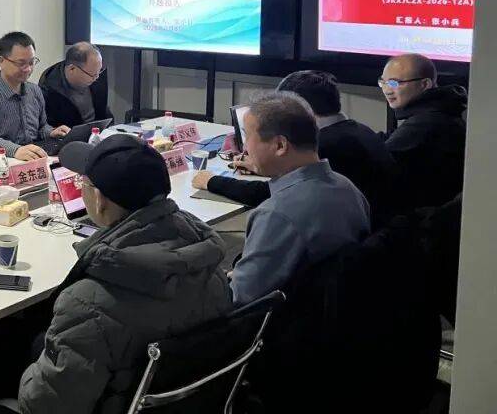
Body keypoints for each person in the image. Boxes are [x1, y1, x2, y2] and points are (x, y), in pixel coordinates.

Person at [0, 135, 232, 414]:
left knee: (3, 355)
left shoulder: (88, 304)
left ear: (100, 200)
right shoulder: (211, 266)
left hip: (104, 397)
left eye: (83, 182)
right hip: (181, 401)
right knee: (11, 333)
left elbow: (44, 406)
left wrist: (30, 369)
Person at [192, 70, 397, 223]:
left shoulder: (326, 145)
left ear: (300, 109)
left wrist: (211, 181)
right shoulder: (359, 130)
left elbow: (272, 193)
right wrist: (261, 164)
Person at [230, 92, 370, 305]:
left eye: (247, 137)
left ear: (280, 145)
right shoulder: (347, 187)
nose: (245, 148)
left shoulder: (276, 214)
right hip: (336, 310)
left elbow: (238, 297)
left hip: (284, 318)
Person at [379, 53, 467, 210]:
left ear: (425, 84)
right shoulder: (440, 110)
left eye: (394, 83)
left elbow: (378, 162)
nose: (387, 90)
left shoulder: (427, 122)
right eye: (383, 82)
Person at [0, 31, 70, 160]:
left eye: (31, 62)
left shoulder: (34, 90)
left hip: (30, 158)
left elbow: (41, 127)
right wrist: (15, 150)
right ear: (1, 61)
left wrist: (51, 132)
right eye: (21, 63)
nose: (28, 69)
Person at [39, 42, 113, 128]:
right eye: (92, 75)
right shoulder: (49, 89)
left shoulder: (95, 72)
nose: (96, 78)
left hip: (99, 131)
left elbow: (104, 111)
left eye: (99, 71)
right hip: (70, 134)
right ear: (72, 69)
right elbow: (48, 128)